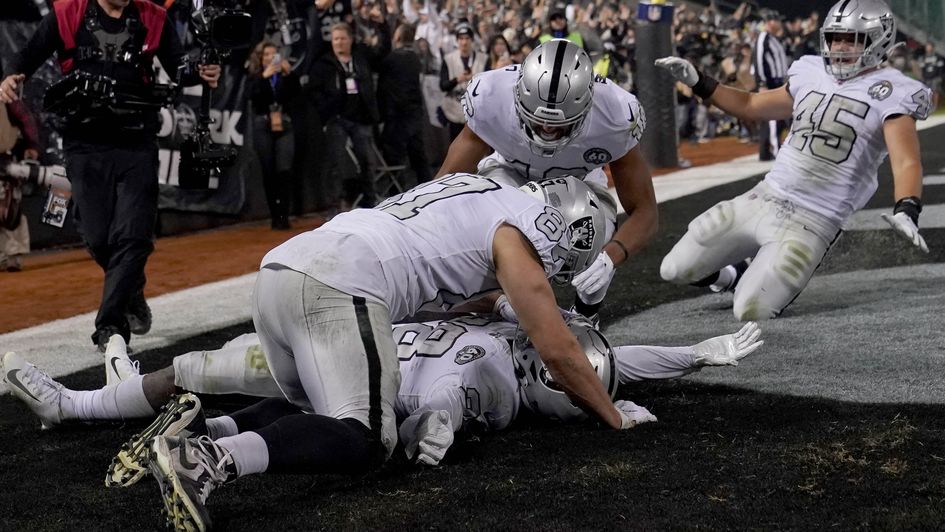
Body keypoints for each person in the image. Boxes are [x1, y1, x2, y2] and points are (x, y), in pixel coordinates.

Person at [125, 175, 639, 530]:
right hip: (342, 280)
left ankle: (198, 431)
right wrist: (614, 416)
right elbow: (557, 350)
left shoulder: (485, 192)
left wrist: (502, 305)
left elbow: (452, 279)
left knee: (321, 415)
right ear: (568, 233)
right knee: (368, 437)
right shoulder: (521, 234)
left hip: (284, 268)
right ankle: (209, 461)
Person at [0, 311, 762, 478]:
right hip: (357, 355)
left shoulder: (505, 367)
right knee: (214, 374)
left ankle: (82, 408)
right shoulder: (519, 357)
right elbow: (610, 361)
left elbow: (456, 393)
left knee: (213, 371)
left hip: (351, 360)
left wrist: (438, 428)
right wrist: (695, 354)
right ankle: (185, 435)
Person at [655, 0, 932, 321]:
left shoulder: (894, 90)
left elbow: (906, 161)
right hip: (765, 196)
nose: (840, 47)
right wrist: (700, 82)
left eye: (852, 39)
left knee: (750, 310)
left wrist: (907, 207)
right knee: (673, 269)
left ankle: (746, 277)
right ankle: (732, 275)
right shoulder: (811, 71)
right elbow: (751, 105)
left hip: (815, 219)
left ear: (879, 41)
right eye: (835, 38)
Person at [0, 0, 221, 352]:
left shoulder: (154, 16)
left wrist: (201, 71)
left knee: (133, 236)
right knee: (98, 236)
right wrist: (11, 75)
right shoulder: (66, 13)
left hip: (136, 142)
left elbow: (178, 67)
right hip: (84, 145)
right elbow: (25, 56)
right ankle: (131, 287)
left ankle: (110, 327)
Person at [437, 39, 657, 323]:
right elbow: (444, 187)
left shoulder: (615, 115)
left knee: (588, 227)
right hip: (509, 172)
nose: (547, 130)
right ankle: (500, 303)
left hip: (579, 185)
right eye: (537, 121)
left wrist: (610, 257)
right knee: (486, 228)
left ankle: (587, 309)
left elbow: (645, 212)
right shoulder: (492, 96)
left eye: (560, 125)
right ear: (518, 95)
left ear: (588, 105)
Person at [309, 20, 390, 210]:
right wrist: (326, 111)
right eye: (335, 39)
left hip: (361, 118)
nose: (339, 42)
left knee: (367, 162)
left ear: (351, 40)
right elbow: (314, 92)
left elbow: (383, 51)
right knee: (335, 163)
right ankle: (335, 207)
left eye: (342, 38)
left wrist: (382, 26)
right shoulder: (324, 64)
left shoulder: (362, 58)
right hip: (336, 119)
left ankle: (370, 204)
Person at [247, 40, 300, 230]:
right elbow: (251, 96)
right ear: (260, 58)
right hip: (263, 124)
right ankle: (274, 215)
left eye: (274, 54)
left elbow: (297, 95)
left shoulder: (285, 76)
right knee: (268, 172)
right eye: (266, 55)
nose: (270, 58)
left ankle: (284, 215)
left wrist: (290, 74)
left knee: (284, 170)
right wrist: (264, 77)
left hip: (284, 124)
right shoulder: (255, 76)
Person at [376, 23, 431, 186]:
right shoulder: (415, 58)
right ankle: (428, 188)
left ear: (397, 37)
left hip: (397, 115)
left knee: (394, 156)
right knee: (418, 156)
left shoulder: (391, 59)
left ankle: (397, 191)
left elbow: (383, 87)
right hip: (415, 112)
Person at [0, 100, 40, 272]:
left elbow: (25, 118)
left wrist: (32, 145)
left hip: (4, 160)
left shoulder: (5, 97)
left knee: (9, 210)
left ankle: (12, 255)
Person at [439, 22, 486, 140]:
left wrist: (475, 79)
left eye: (467, 38)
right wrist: (457, 80)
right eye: (461, 39)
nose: (464, 42)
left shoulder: (483, 58)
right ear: (457, 40)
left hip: (476, 110)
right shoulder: (448, 59)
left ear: (472, 40)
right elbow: (443, 86)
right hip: (454, 109)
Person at [753, 10, 790, 161]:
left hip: (778, 82)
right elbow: (758, 59)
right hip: (770, 83)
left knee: (774, 117)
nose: (780, 23)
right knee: (773, 117)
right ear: (770, 22)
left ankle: (765, 152)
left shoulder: (774, 39)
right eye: (777, 20)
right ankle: (776, 150)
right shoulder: (764, 37)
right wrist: (762, 83)